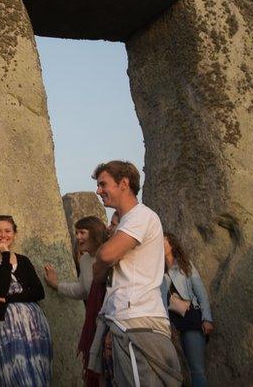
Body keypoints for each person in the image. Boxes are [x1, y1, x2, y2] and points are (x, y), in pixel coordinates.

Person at [90, 161, 181, 386]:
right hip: (130, 322)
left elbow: (106, 256)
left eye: (103, 184)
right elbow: (98, 272)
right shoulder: (127, 223)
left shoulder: (141, 216)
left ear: (124, 183)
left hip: (136, 322)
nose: (99, 190)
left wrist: (103, 258)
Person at [0, 215, 52, 386]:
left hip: (34, 324)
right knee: (16, 374)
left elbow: (38, 292)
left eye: (7, 231)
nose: (3, 235)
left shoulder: (24, 261)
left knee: (40, 374)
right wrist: (5, 256)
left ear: (14, 234)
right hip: (7, 325)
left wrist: (7, 298)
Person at [43, 216, 109, 386]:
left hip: (112, 322)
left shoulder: (110, 254)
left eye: (82, 233)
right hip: (95, 323)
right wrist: (56, 285)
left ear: (94, 233)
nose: (77, 237)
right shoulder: (85, 260)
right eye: (76, 233)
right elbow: (82, 290)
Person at [160, 233, 214, 387]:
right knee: (174, 371)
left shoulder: (185, 265)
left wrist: (207, 319)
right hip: (169, 323)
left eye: (162, 240)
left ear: (172, 244)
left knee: (196, 369)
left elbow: (201, 293)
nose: (158, 242)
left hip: (191, 318)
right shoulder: (156, 269)